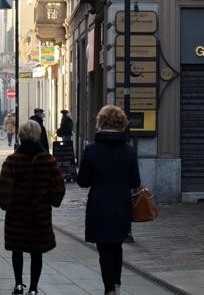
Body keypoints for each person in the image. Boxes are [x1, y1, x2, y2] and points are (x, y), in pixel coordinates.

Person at [0, 121, 66, 295]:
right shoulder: (48, 160)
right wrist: (51, 200)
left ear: (20, 135)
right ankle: (34, 289)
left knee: (17, 250)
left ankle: (19, 285)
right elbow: (59, 187)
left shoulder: (12, 160)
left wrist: (6, 203)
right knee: (37, 252)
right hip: (39, 214)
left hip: (17, 214)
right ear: (38, 135)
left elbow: (3, 188)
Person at [77, 105, 140, 295]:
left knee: (104, 250)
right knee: (117, 246)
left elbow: (83, 182)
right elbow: (135, 181)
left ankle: (109, 288)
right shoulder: (129, 150)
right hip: (121, 204)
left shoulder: (92, 149)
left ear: (100, 122)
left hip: (99, 205)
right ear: (122, 123)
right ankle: (117, 285)